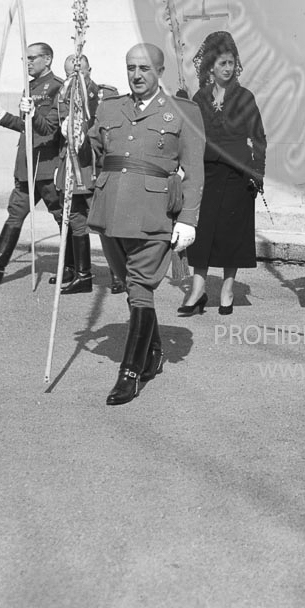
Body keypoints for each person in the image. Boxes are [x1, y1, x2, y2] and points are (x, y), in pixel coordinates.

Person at [85, 43, 204, 405]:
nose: (136, 75)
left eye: (144, 69)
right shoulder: (108, 107)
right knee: (131, 285)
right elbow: (90, 148)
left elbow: (195, 174)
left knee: (139, 286)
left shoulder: (183, 113)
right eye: (131, 68)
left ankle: (130, 373)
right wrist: (70, 124)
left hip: (155, 216)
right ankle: (153, 353)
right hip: (110, 214)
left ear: (160, 71)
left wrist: (188, 220)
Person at [180, 31, 266, 316]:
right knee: (201, 232)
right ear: (210, 67)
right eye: (222, 64)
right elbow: (190, 136)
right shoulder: (199, 97)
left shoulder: (245, 97)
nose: (228, 69)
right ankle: (198, 289)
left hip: (238, 174)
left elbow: (259, 137)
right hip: (206, 173)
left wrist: (258, 172)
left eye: (231, 63)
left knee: (232, 234)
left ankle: (228, 289)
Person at [0, 42, 63, 284]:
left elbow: (49, 128)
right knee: (15, 214)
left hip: (46, 165)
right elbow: (25, 127)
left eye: (32, 58)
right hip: (27, 164)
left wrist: (33, 114)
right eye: (25, 59)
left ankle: (71, 268)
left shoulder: (57, 88)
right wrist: (2, 116)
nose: (28, 63)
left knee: (62, 216)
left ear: (48, 59)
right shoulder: (29, 87)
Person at [50, 54, 102, 295]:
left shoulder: (96, 93)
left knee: (103, 222)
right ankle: (82, 275)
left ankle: (121, 275)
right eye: (70, 74)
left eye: (79, 73)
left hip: (88, 166)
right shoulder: (62, 95)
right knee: (75, 220)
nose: (75, 79)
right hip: (69, 166)